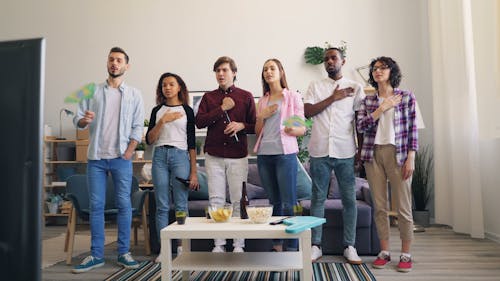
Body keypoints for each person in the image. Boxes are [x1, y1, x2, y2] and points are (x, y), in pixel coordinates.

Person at [72, 47, 144, 273]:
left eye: (119, 60)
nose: (114, 63)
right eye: (111, 59)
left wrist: (130, 150)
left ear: (126, 66)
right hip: (96, 158)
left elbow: (137, 126)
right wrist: (83, 120)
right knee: (96, 206)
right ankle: (96, 255)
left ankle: (124, 252)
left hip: (121, 157)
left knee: (124, 204)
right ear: (107, 63)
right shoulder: (90, 90)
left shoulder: (134, 94)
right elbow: (77, 119)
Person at [356, 56, 418, 272]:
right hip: (373, 155)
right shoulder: (368, 100)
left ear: (392, 71)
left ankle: (406, 254)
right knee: (380, 207)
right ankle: (384, 252)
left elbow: (413, 130)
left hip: (398, 154)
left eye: (383, 68)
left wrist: (411, 157)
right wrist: (382, 108)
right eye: (374, 69)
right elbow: (362, 125)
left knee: (403, 207)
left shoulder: (406, 97)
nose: (377, 71)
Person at [304, 47, 365, 263]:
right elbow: (307, 112)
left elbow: (359, 122)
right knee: (317, 198)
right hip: (319, 150)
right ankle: (316, 245)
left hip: (345, 151)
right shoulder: (315, 86)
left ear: (343, 61)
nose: (329, 61)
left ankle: (350, 246)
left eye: (334, 58)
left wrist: (360, 150)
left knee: (349, 199)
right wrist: (334, 97)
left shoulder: (356, 87)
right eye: (326, 59)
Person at [195, 56, 256, 253]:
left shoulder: (246, 96)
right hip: (213, 155)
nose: (221, 74)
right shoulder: (208, 97)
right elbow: (199, 122)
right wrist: (222, 108)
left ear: (234, 73)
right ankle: (218, 245)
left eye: (225, 70)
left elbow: (255, 126)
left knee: (239, 200)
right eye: (217, 71)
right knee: (216, 200)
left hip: (238, 156)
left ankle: (239, 245)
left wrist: (241, 125)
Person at [145, 72, 200, 262]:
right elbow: (149, 140)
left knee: (181, 204)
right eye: (164, 85)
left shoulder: (187, 111)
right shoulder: (157, 111)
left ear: (179, 88)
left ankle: (181, 248)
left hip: (180, 156)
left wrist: (194, 172)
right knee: (161, 206)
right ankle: (165, 251)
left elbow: (192, 144)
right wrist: (163, 121)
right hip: (159, 156)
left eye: (171, 84)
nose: (167, 88)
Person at [253, 59, 306, 252]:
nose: (268, 72)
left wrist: (294, 128)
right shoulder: (263, 100)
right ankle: (277, 244)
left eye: (272, 68)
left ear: (281, 72)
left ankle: (292, 246)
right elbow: (258, 131)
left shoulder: (291, 97)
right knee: (273, 202)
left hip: (285, 154)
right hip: (264, 155)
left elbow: (302, 128)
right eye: (265, 69)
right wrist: (262, 115)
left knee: (289, 201)